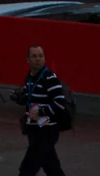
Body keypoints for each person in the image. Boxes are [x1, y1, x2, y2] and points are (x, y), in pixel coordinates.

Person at [16, 44, 69, 176]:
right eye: (34, 56)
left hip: (47, 129)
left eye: (40, 56)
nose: (38, 59)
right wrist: (20, 97)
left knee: (27, 168)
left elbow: (60, 103)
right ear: (27, 59)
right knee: (52, 167)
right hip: (34, 129)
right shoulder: (30, 78)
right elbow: (30, 98)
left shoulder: (49, 78)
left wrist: (41, 112)